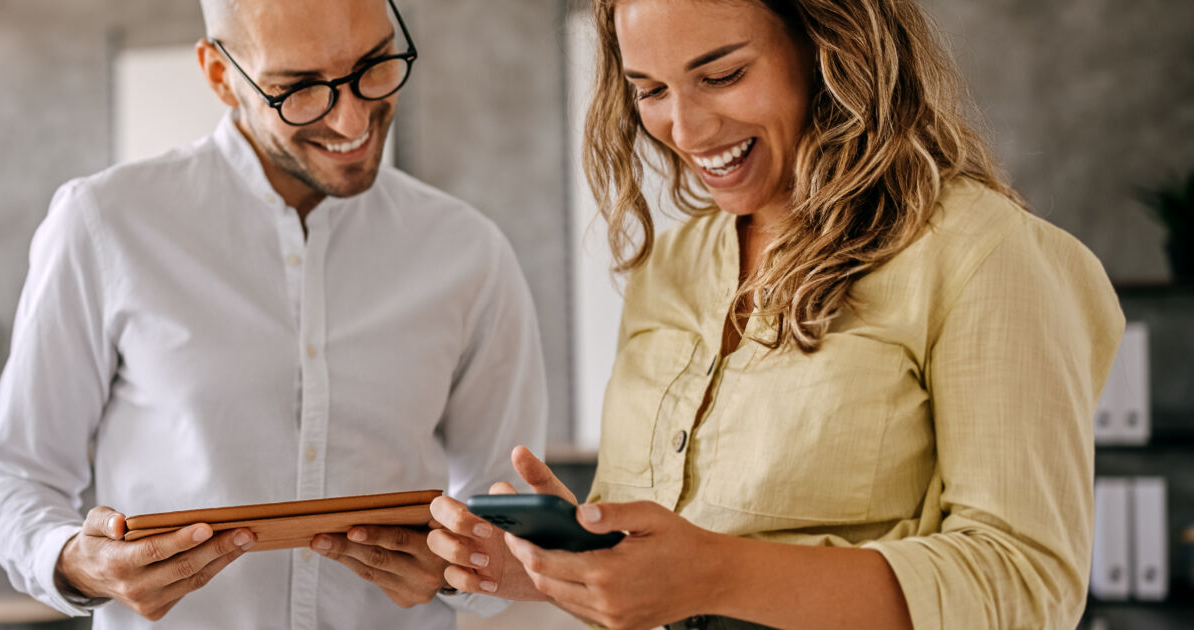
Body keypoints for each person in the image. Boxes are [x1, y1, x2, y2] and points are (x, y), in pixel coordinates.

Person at [426, 0, 1124, 628]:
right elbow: (657, 570)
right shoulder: (669, 268)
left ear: (829, 45)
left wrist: (716, 574)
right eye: (650, 90)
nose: (685, 127)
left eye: (723, 75)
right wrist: (557, 565)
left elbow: (1026, 585)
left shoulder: (985, 256)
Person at [0, 0, 548, 628]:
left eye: (376, 64)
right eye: (298, 88)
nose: (352, 115)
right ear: (220, 75)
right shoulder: (104, 224)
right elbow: (16, 479)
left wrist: (461, 569)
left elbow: (508, 506)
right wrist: (78, 564)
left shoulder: (469, 253)